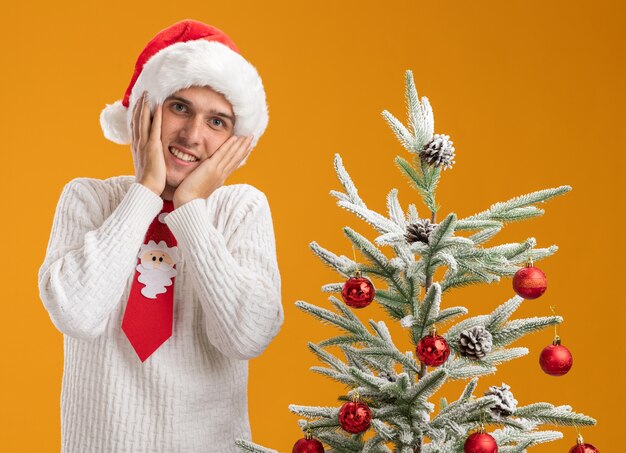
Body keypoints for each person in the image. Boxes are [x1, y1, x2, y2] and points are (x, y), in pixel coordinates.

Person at [38, 20, 283, 452]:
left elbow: (248, 335)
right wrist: (145, 193)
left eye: (217, 121)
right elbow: (75, 313)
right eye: (180, 108)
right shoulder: (89, 199)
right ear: (144, 110)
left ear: (235, 139)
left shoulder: (240, 209)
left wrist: (189, 209)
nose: (192, 135)